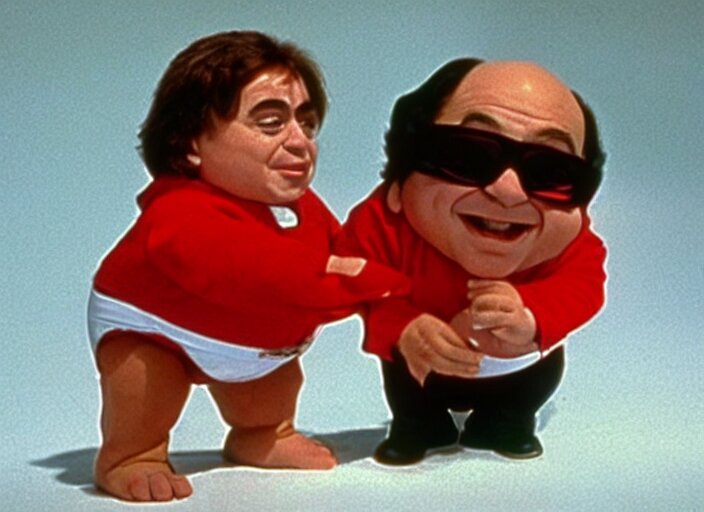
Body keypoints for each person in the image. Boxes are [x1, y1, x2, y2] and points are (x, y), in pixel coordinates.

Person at [87, 30, 407, 502]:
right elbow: (264, 277)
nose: (301, 142)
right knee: (147, 385)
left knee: (272, 391)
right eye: (272, 123)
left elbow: (346, 253)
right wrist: (366, 285)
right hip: (158, 331)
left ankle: (264, 433)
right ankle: (131, 456)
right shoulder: (178, 213)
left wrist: (396, 269)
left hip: (257, 350)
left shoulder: (303, 208)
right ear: (190, 143)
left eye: (307, 124)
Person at [336, 58, 607, 465]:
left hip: (519, 372)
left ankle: (507, 420)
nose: (508, 191)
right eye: (468, 155)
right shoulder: (380, 225)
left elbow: (584, 285)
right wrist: (401, 326)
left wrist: (533, 315)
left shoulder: (573, 245)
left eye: (550, 171)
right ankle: (419, 423)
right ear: (399, 182)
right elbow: (355, 279)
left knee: (529, 386)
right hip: (421, 374)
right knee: (405, 379)